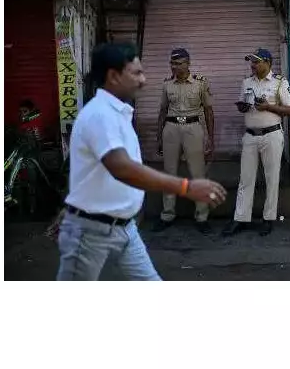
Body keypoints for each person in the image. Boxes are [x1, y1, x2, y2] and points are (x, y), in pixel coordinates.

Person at [56, 42, 226, 280]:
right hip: (92, 231)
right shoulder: (100, 115)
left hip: (123, 228)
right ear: (113, 76)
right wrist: (185, 187)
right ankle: (168, 214)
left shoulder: (118, 112)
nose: (144, 80)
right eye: (136, 73)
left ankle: (201, 217)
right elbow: (123, 169)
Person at [223, 49, 290, 237]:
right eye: (251, 63)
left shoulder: (280, 81)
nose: (252, 65)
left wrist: (268, 107)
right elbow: (244, 105)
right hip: (250, 136)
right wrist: (242, 107)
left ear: (267, 62)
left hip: (272, 135)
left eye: (256, 62)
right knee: (245, 179)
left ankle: (268, 218)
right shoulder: (246, 82)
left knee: (272, 178)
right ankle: (240, 218)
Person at [152, 48, 215, 234]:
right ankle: (167, 214)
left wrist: (210, 137)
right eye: (173, 64)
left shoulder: (200, 83)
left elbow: (209, 112)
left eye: (179, 64)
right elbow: (162, 112)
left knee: (198, 173)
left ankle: (202, 217)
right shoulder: (167, 85)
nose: (176, 67)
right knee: (169, 173)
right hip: (171, 129)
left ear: (188, 64)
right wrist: (158, 137)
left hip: (193, 128)